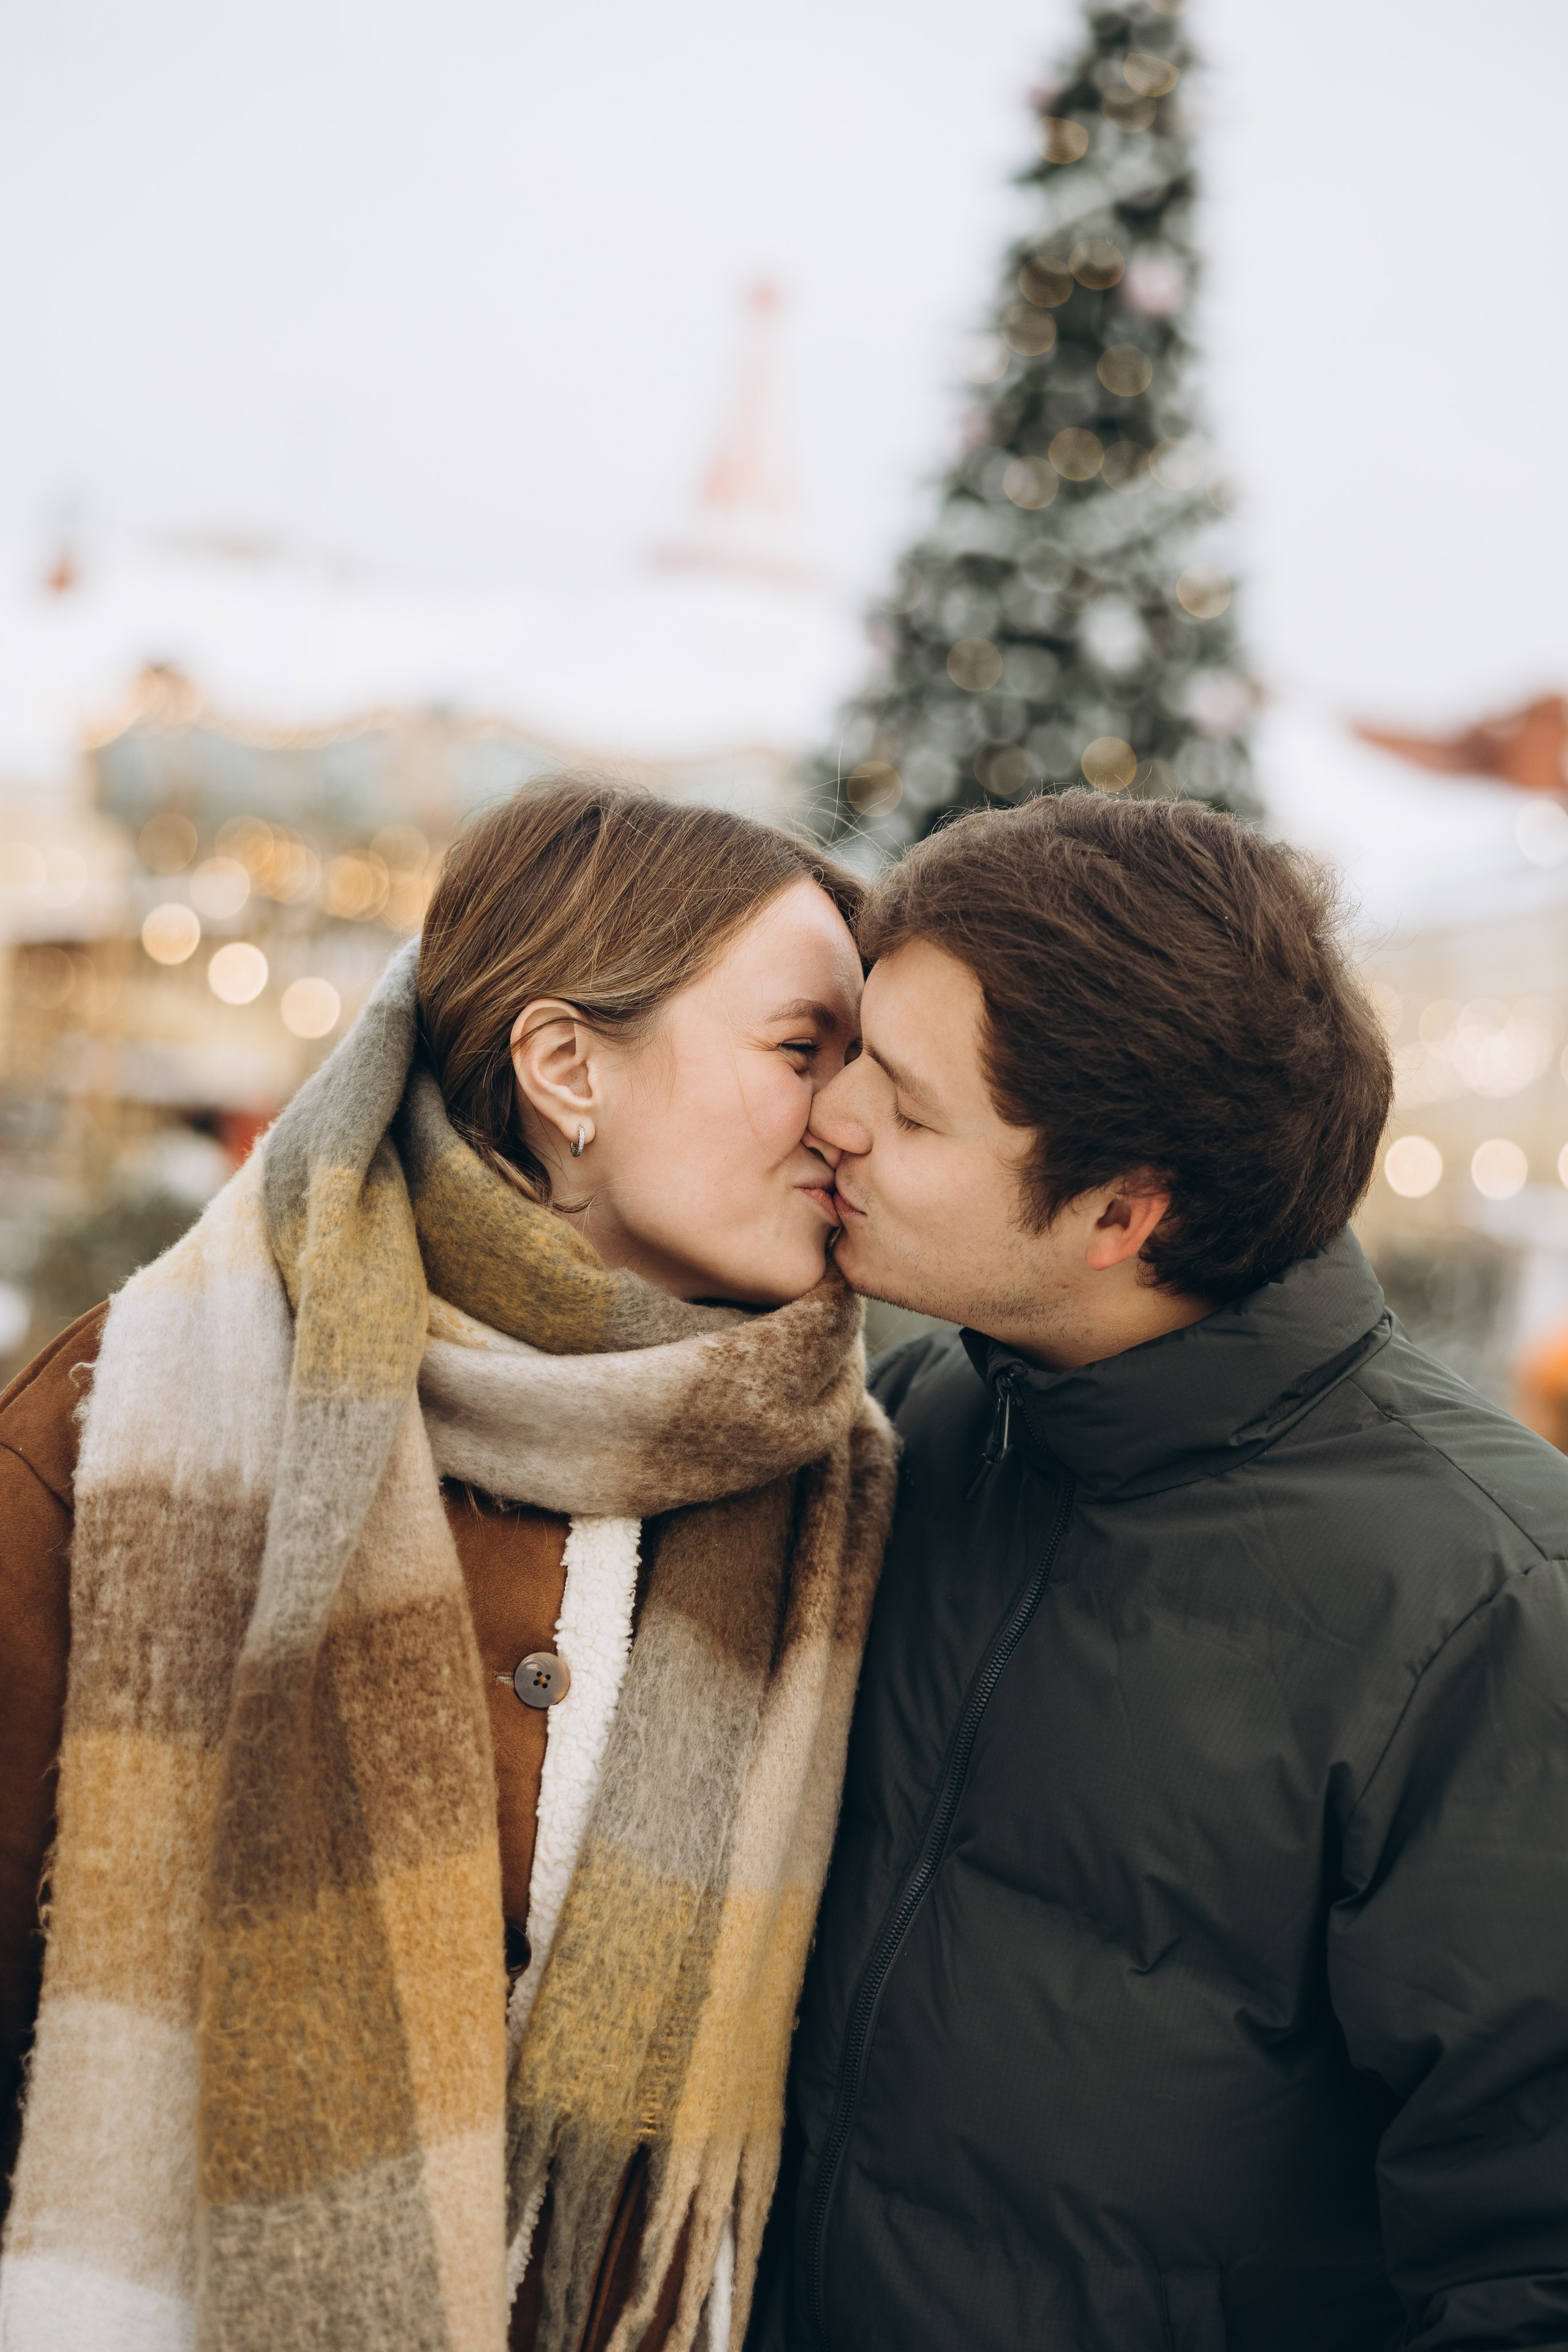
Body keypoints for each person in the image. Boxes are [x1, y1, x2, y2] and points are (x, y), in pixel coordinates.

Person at [0, 777, 897, 2352]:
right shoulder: (126, 1410)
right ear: (565, 1067)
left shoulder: (859, 1481)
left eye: (863, 1063)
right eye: (798, 1047)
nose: (845, 1115)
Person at [751, 790, 1568, 2352]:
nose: (833, 1115)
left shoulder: (1488, 1605)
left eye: (911, 1110)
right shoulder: (930, 1417)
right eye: (856, 1049)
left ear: (1121, 1212)